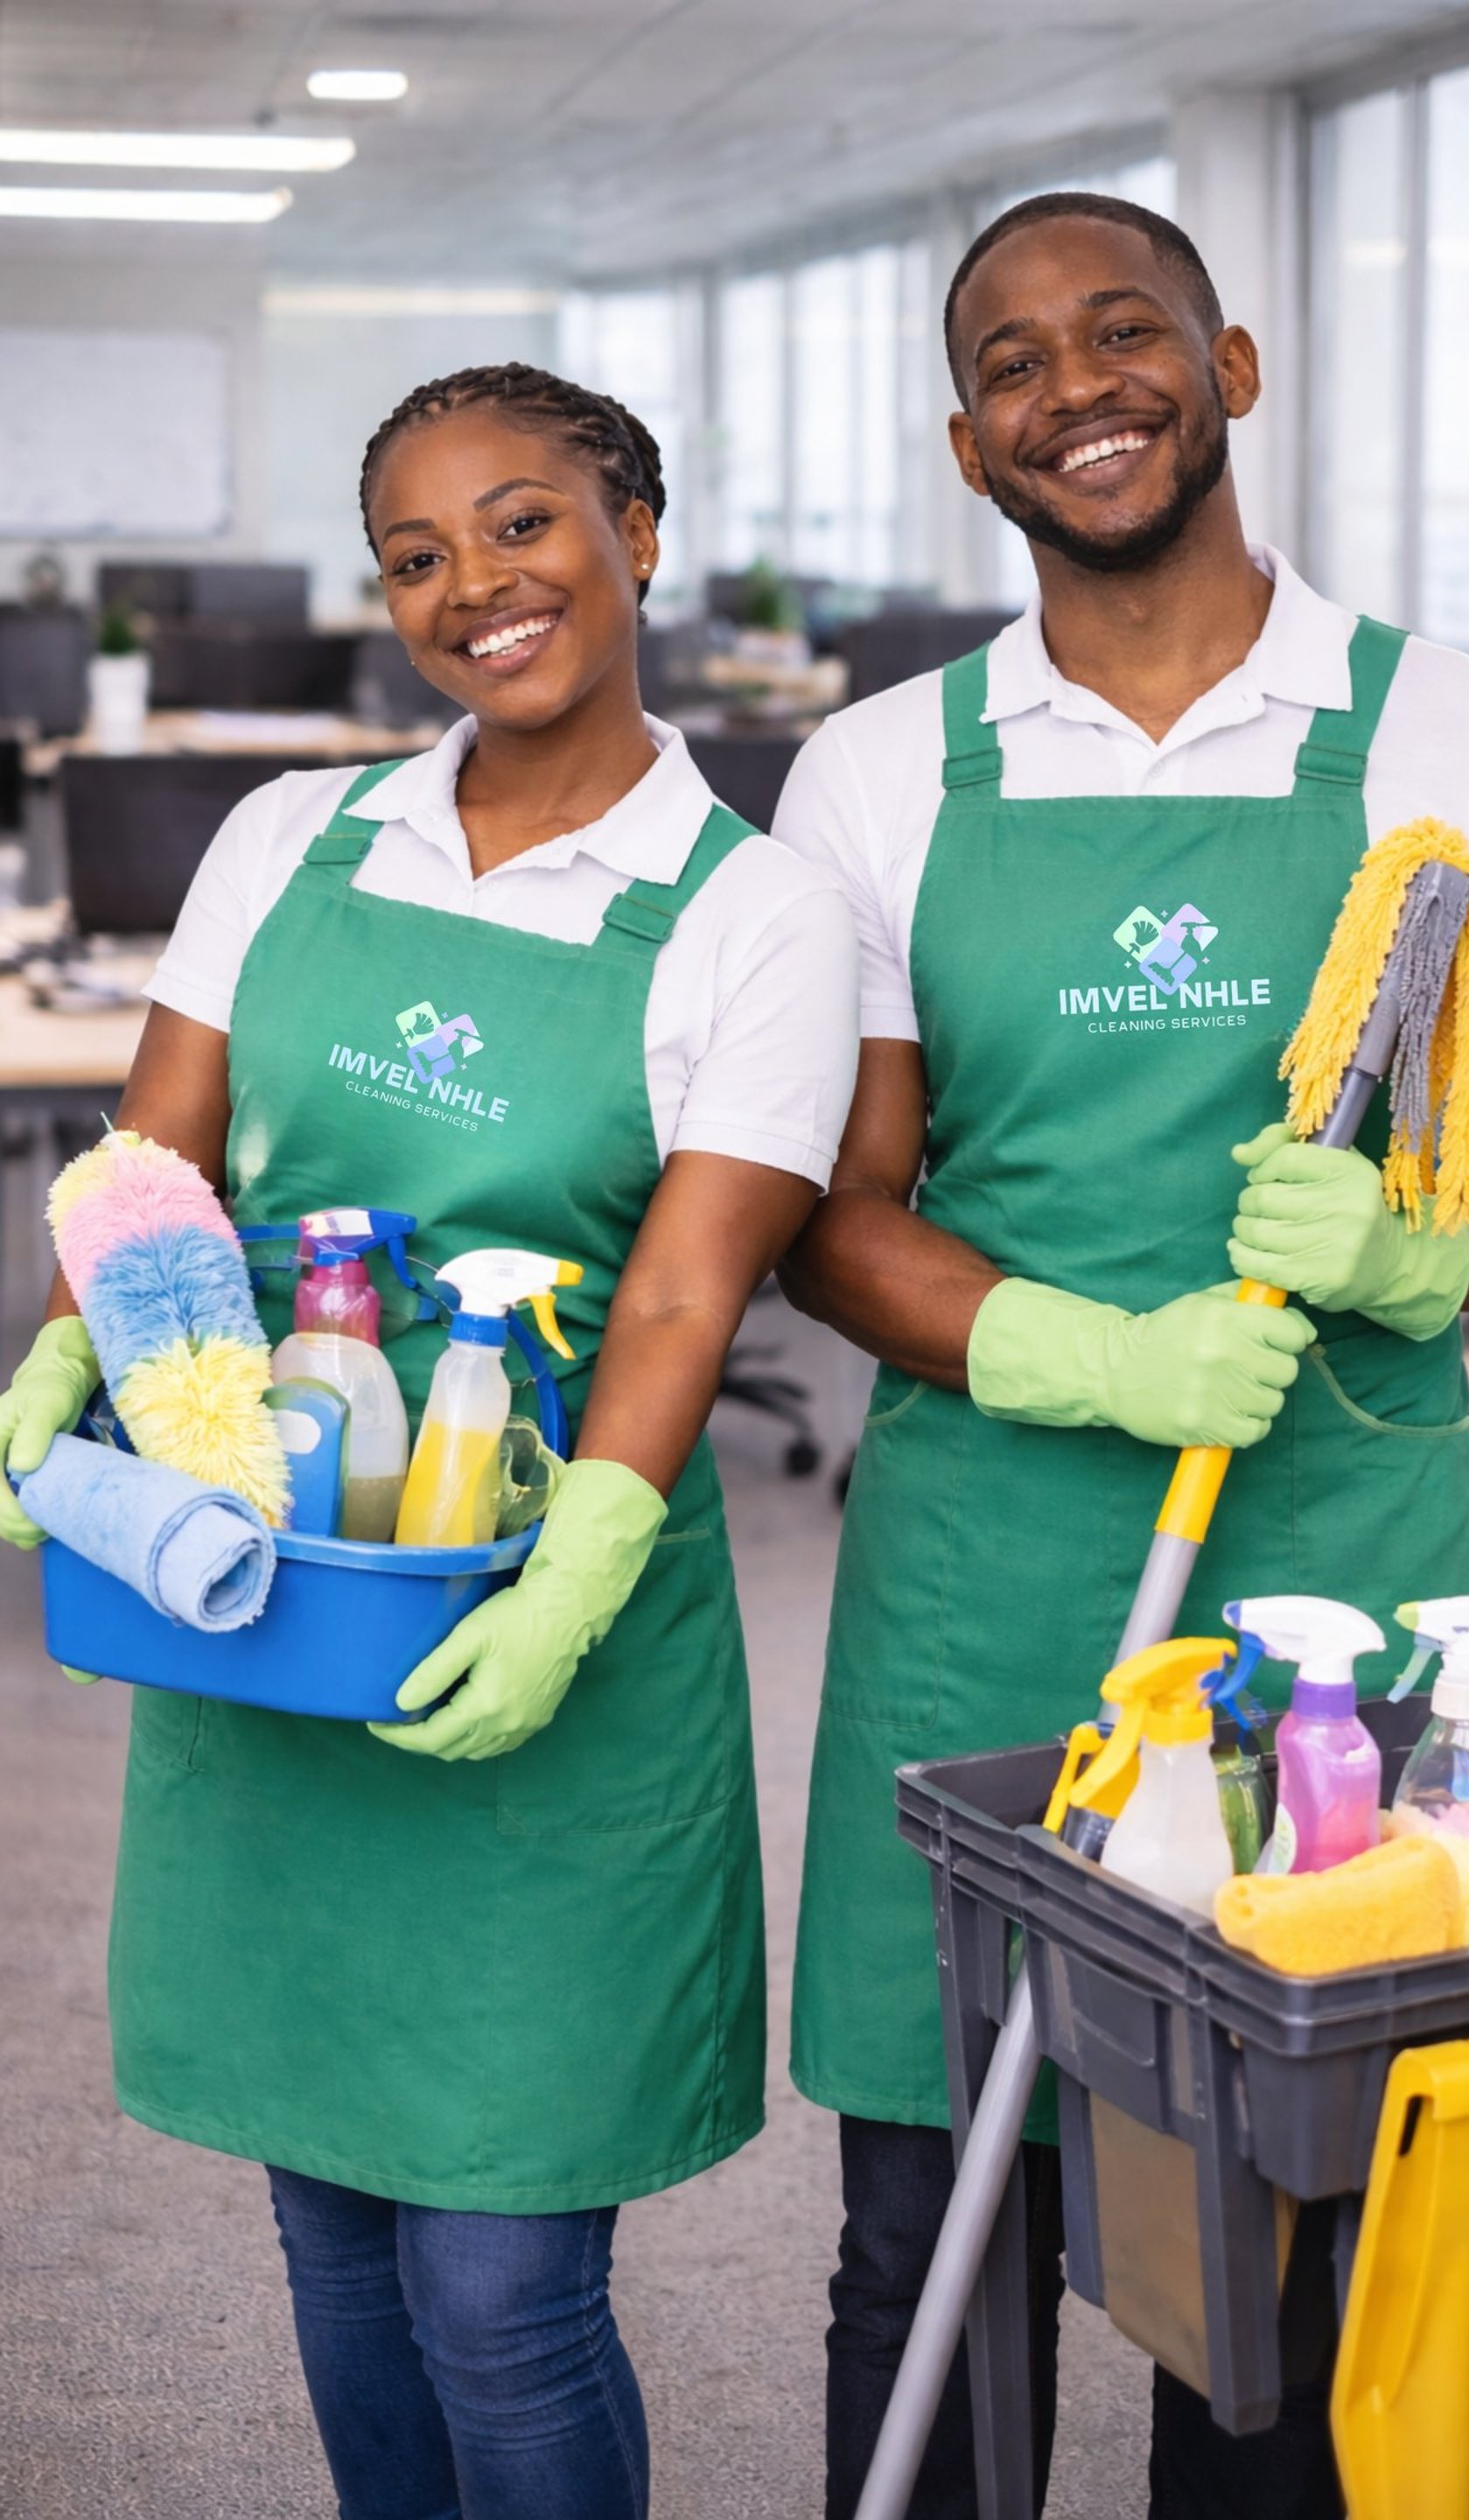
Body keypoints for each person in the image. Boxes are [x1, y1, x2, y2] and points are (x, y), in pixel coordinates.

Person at [773, 193, 1469, 2520]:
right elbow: (834, 1219)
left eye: (1124, 330)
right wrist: (1067, 1346)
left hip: (1345, 1577)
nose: (1075, 382)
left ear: (1233, 366)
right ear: (967, 440)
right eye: (1011, 358)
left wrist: (1414, 1250)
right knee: (934, 2223)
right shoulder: (880, 775)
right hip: (983, 1577)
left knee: (1290, 2227)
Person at [0, 362, 858, 2520]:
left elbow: (685, 1290)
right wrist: (57, 1357)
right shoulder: (291, 839)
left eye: (524, 523)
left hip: (538, 1627)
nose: (474, 585)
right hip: (273, 1584)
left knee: (502, 2283)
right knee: (333, 2235)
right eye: (416, 553)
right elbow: (158, 1157)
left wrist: (577, 1576)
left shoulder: (752, 917)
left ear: (635, 532)